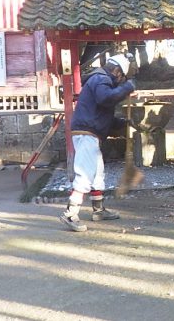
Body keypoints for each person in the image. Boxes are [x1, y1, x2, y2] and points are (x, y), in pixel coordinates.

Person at [59, 54, 136, 232]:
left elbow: (104, 115)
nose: (120, 80)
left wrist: (123, 123)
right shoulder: (101, 80)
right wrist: (127, 88)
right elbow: (106, 99)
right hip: (87, 133)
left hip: (90, 133)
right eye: (121, 77)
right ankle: (70, 213)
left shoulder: (98, 80)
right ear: (117, 71)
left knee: (97, 173)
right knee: (85, 173)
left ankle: (98, 210)